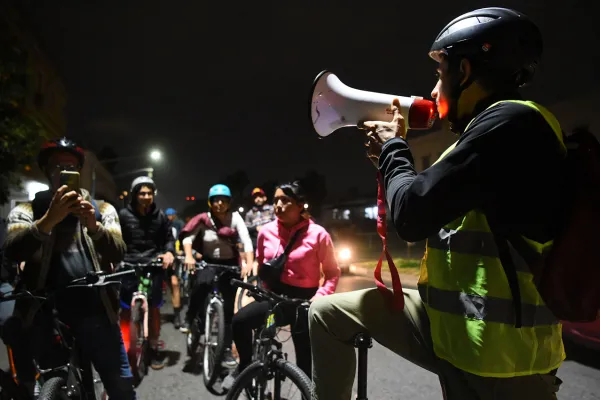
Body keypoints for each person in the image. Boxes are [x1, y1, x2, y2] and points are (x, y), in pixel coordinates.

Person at [309, 8, 566, 400]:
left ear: (463, 72)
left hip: (502, 358)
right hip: (454, 328)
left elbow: (411, 215)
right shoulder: (481, 136)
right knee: (328, 314)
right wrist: (390, 156)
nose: (432, 91)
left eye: (438, 75)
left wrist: (394, 149)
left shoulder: (511, 125)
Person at [2, 137, 136, 399]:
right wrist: (48, 220)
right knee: (48, 383)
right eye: (57, 167)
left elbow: (117, 251)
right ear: (46, 170)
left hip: (96, 311)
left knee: (119, 386)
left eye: (71, 167)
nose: (64, 173)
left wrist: (93, 226)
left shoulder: (103, 208)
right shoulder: (26, 210)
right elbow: (13, 249)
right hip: (46, 313)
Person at [223, 181, 340, 389]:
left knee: (305, 362)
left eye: (285, 200)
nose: (277, 205)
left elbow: (332, 273)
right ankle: (245, 366)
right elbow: (261, 262)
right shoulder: (266, 231)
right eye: (276, 200)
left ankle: (306, 391)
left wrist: (319, 297)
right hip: (274, 297)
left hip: (304, 301)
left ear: (300, 205)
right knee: (240, 321)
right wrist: (257, 287)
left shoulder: (318, 234)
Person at [179, 184, 253, 367]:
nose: (220, 203)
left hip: (230, 264)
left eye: (224, 200)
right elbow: (188, 238)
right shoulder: (203, 219)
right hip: (209, 262)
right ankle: (191, 319)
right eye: (216, 200)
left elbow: (246, 240)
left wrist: (249, 263)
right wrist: (188, 255)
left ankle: (226, 348)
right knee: (201, 285)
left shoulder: (235, 218)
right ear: (211, 202)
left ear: (229, 202)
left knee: (229, 309)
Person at [118, 176, 176, 370]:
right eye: (142, 193)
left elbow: (168, 239)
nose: (146, 196)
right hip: (129, 264)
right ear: (135, 195)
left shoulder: (160, 217)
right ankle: (125, 348)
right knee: (126, 308)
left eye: (149, 193)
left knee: (154, 308)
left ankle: (153, 345)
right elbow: (115, 239)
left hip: (153, 264)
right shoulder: (123, 215)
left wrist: (168, 252)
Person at [165, 207, 186, 329]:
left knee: (174, 283)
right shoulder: (162, 223)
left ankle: (177, 315)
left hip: (174, 256)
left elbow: (183, 237)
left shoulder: (179, 224)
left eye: (171, 215)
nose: (169, 217)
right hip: (161, 256)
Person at [244, 187, 276, 252]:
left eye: (260, 196)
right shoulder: (249, 213)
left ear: (265, 198)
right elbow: (245, 228)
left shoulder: (272, 209)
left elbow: (278, 222)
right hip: (257, 242)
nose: (257, 199)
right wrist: (256, 228)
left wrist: (266, 227)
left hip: (272, 240)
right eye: (255, 197)